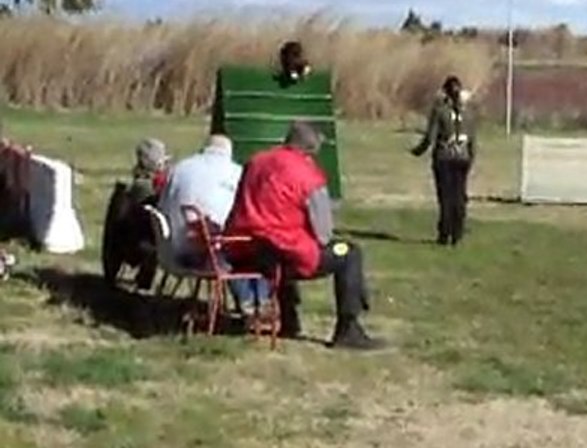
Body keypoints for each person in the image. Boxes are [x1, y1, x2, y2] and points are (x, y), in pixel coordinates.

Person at [224, 120, 383, 350]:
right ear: (312, 148)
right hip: (285, 253)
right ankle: (349, 328)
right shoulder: (308, 175)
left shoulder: (256, 161)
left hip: (246, 250)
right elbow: (323, 234)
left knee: (280, 246)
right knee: (349, 253)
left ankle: (289, 319)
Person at [158, 135, 269, 318]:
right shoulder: (237, 174)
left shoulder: (179, 169)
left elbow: (161, 206)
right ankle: (255, 302)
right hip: (209, 255)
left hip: (173, 249)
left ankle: (251, 302)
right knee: (253, 250)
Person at [411, 76, 476, 246]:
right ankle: (457, 232)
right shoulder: (468, 113)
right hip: (462, 159)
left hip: (444, 159)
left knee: (445, 197)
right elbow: (472, 140)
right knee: (459, 196)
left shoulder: (439, 111)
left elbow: (430, 137)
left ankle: (444, 233)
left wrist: (417, 151)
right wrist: (470, 159)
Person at [101, 137, 170, 290]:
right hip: (142, 242)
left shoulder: (136, 185)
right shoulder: (144, 188)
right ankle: (145, 283)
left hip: (134, 239)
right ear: (157, 164)